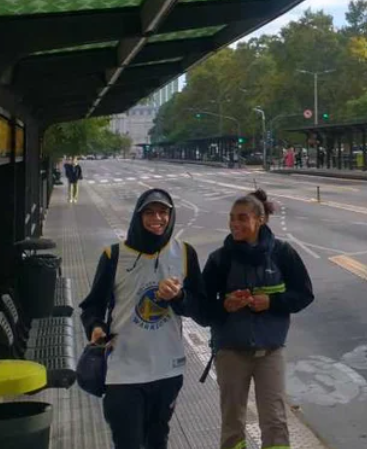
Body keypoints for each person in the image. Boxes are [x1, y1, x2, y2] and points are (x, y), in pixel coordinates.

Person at [78, 189, 203, 449]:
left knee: (157, 440)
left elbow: (200, 310)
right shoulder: (113, 255)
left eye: (163, 212)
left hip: (167, 369)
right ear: (138, 215)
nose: (157, 218)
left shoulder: (184, 254)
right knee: (128, 442)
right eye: (149, 212)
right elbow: (93, 306)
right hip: (123, 370)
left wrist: (179, 298)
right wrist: (96, 328)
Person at [194, 190, 313, 449]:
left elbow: (304, 294)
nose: (234, 224)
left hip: (271, 351)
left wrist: (271, 302)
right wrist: (224, 305)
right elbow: (202, 310)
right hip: (230, 351)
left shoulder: (283, 253)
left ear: (260, 220)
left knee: (275, 421)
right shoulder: (220, 259)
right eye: (231, 218)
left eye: (242, 218)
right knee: (232, 422)